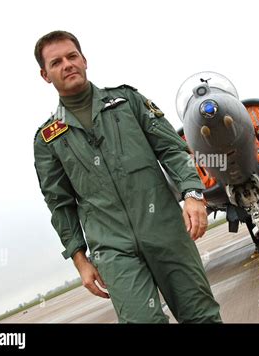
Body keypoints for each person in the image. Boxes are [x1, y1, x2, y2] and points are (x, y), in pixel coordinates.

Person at [33, 30, 221, 323]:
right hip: (112, 246)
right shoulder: (48, 139)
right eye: (56, 62)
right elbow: (59, 205)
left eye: (72, 56)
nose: (67, 64)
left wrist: (193, 193)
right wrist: (80, 261)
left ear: (84, 60)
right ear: (46, 75)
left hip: (165, 229)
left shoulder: (128, 101)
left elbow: (173, 149)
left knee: (201, 316)